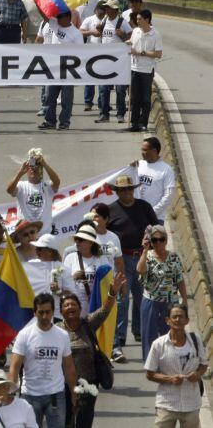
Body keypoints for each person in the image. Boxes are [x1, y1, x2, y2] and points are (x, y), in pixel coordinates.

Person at [57, 274, 123, 428]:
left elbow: (105, 310)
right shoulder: (56, 330)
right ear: (61, 311)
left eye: (73, 304)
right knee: (66, 421)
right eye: (66, 306)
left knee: (85, 421)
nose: (70, 307)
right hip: (63, 385)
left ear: (80, 308)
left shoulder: (88, 323)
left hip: (89, 382)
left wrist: (112, 292)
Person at [108, 174, 158, 362]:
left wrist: (153, 244)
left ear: (133, 189)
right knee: (122, 300)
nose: (126, 192)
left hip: (142, 258)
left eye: (129, 189)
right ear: (117, 192)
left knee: (143, 299)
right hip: (121, 258)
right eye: (122, 190)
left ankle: (142, 334)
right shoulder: (111, 210)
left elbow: (155, 228)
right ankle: (119, 339)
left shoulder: (144, 206)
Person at [8, 294, 78, 428]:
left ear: (53, 312)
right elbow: (14, 367)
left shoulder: (62, 335)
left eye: (48, 312)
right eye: (41, 312)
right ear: (35, 312)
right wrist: (10, 394)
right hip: (30, 396)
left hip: (56, 396)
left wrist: (74, 393)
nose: (45, 316)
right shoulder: (24, 335)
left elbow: (69, 367)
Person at [145, 304, 208, 428]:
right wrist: (170, 379)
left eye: (181, 317)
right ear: (167, 320)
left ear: (187, 321)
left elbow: (204, 364)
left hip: (191, 404)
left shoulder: (196, 340)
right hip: (166, 404)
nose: (178, 320)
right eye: (174, 317)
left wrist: (197, 374)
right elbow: (150, 374)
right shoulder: (158, 345)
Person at [137, 224, 187, 361]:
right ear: (151, 242)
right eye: (155, 240)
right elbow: (140, 270)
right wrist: (145, 250)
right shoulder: (148, 256)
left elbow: (180, 280)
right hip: (150, 301)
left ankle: (170, 360)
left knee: (171, 333)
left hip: (170, 302)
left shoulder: (174, 257)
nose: (158, 242)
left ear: (166, 240)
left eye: (162, 239)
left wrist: (184, 300)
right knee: (149, 334)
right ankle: (150, 362)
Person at [94, 0, 132, 124]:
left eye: (108, 8)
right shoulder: (104, 20)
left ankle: (120, 114)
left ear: (114, 9)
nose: (106, 10)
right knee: (103, 89)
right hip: (105, 60)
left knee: (120, 89)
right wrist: (99, 29)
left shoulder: (123, 22)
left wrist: (123, 36)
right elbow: (101, 35)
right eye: (106, 7)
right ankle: (104, 114)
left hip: (119, 62)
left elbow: (132, 39)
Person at [61, 224, 111, 314]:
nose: (77, 242)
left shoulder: (102, 259)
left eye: (81, 240)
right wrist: (73, 277)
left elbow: (109, 281)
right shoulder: (70, 258)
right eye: (76, 239)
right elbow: (63, 284)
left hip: (96, 304)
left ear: (91, 242)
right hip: (75, 305)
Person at [7, 153, 61, 234]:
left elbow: (57, 181)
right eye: (31, 167)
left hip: (44, 235)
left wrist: (44, 164)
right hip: (25, 235)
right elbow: (9, 190)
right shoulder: (21, 185)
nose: (33, 169)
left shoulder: (47, 185)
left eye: (37, 166)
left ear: (41, 170)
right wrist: (20, 173)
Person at [128, 10, 163, 132]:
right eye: (137, 19)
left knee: (146, 99)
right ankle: (134, 123)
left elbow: (158, 54)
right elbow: (131, 43)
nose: (137, 21)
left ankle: (144, 123)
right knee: (134, 98)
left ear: (147, 20)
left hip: (147, 70)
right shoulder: (135, 31)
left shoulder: (155, 34)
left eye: (139, 19)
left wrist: (140, 53)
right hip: (134, 68)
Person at [132, 137, 175, 224]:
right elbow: (128, 186)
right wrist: (130, 168)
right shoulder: (139, 165)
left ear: (154, 151)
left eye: (145, 150)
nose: (142, 152)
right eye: (142, 149)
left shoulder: (166, 170)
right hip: (136, 216)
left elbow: (168, 195)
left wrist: (152, 212)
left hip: (156, 218)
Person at [88, 202, 126, 274]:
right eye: (91, 216)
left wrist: (122, 283)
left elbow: (119, 263)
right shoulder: (86, 236)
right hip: (92, 281)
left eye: (96, 216)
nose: (93, 219)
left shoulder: (114, 237)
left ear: (106, 219)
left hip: (110, 281)